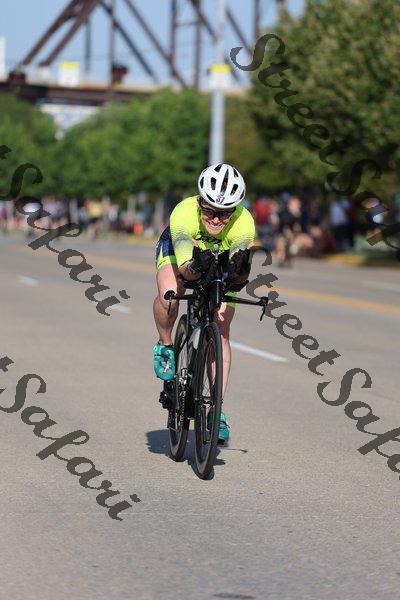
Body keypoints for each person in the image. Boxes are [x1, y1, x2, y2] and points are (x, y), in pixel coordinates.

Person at [153, 163, 255, 442]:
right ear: (199, 202)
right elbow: (186, 269)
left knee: (221, 326)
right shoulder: (183, 213)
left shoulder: (244, 221)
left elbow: (238, 272)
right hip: (182, 253)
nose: (216, 219)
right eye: (209, 210)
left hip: (220, 256)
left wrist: (238, 273)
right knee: (170, 295)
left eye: (225, 213)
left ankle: (216, 411)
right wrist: (196, 268)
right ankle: (165, 344)